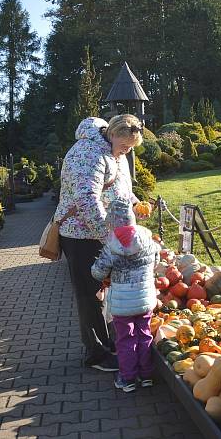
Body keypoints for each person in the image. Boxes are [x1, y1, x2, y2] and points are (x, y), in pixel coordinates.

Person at [54, 114, 144, 371]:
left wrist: (136, 203)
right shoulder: (89, 153)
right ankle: (96, 353)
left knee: (103, 291)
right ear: (112, 134)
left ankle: (107, 341)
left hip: (105, 234)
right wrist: (109, 237)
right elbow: (86, 200)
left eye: (131, 148)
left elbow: (121, 186)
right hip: (82, 236)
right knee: (90, 294)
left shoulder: (115, 152)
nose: (127, 151)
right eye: (125, 146)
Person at [92, 197, 160, 392]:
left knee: (126, 339)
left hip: (123, 305)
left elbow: (97, 272)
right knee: (145, 335)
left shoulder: (111, 247)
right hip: (146, 298)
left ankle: (128, 378)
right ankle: (147, 375)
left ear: (111, 223)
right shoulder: (147, 238)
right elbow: (156, 262)